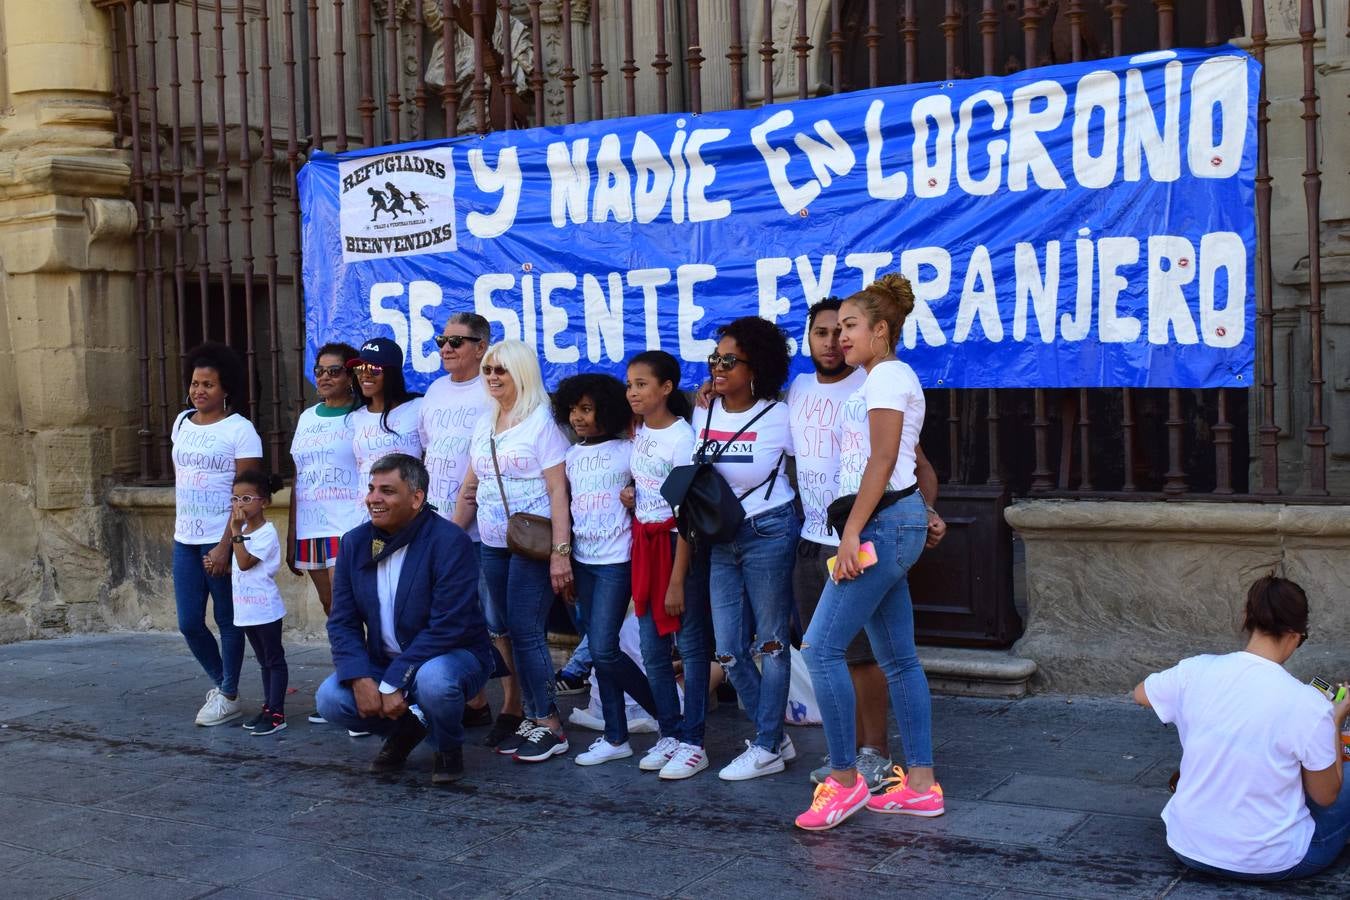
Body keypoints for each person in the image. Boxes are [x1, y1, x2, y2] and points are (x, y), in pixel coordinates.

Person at [796, 274, 942, 831]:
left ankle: (844, 780)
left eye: (851, 326)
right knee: (899, 658)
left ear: (881, 330)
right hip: (890, 521)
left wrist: (852, 534)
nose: (840, 338)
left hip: (879, 525)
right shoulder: (879, 380)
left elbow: (882, 462)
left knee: (820, 648)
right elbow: (903, 460)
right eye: (834, 330)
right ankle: (922, 787)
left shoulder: (888, 377)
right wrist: (919, 513)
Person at [1134, 576, 1350, 881]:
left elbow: (1141, 693)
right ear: (1296, 635)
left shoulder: (1195, 670)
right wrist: (1335, 721)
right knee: (1343, 769)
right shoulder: (1308, 705)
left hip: (1187, 847)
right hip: (1275, 862)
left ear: (1247, 618)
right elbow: (1325, 796)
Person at [316, 453, 496, 784]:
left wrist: (390, 682)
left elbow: (448, 626)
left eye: (387, 490)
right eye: (372, 489)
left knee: (434, 682)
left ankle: (447, 746)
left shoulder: (449, 541)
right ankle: (406, 731)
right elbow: (342, 622)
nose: (373, 498)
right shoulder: (355, 542)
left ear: (416, 498)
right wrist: (360, 679)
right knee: (329, 698)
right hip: (385, 660)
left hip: (452, 656)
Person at [680, 316, 801, 782]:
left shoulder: (780, 415)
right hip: (720, 537)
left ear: (757, 366)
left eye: (729, 360)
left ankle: (767, 743)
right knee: (728, 649)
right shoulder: (703, 411)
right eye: (715, 359)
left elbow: (807, 468)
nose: (718, 367)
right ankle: (773, 732)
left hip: (768, 531)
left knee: (770, 642)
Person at [452, 340, 574, 763]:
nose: (492, 378)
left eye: (500, 370)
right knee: (500, 629)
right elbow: (471, 487)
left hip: (532, 545)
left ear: (521, 372)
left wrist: (561, 551)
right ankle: (533, 714)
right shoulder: (486, 421)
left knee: (526, 631)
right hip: (491, 542)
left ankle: (550, 724)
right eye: (487, 371)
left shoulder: (542, 422)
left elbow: (559, 490)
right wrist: (452, 535)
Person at [552, 373, 660, 766]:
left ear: (607, 409)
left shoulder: (628, 449)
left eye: (587, 409)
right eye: (573, 410)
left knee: (603, 647)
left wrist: (634, 496)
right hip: (584, 562)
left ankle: (665, 714)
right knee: (600, 651)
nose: (577, 418)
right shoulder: (571, 455)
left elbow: (652, 487)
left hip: (618, 562)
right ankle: (616, 735)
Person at [623, 350, 713, 779]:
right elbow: (646, 482)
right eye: (629, 385)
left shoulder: (683, 438)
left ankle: (694, 740)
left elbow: (688, 513)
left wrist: (678, 579)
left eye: (642, 384)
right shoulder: (639, 431)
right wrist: (631, 493)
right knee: (652, 648)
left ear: (666, 388)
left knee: (691, 648)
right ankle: (670, 731)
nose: (633, 392)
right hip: (645, 544)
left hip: (677, 548)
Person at [171, 341, 263, 727]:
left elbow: (247, 493)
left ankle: (227, 694)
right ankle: (223, 685)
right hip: (184, 539)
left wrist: (227, 544)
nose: (199, 391)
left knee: (227, 619)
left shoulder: (241, 430)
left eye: (208, 384)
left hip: (219, 537)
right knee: (189, 622)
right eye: (195, 383)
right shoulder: (180, 422)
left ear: (226, 389)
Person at [229, 469, 289, 736]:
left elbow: (244, 563)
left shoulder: (266, 533)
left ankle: (277, 714)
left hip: (265, 609)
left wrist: (234, 533)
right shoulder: (242, 532)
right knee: (263, 661)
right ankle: (268, 708)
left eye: (246, 498)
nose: (239, 505)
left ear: (263, 502)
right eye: (235, 498)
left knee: (274, 660)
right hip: (246, 609)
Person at [348, 337, 424, 522]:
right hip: (365, 516)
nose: (365, 375)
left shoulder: (418, 407)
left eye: (374, 369)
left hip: (406, 514)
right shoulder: (355, 417)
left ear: (391, 374)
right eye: (360, 368)